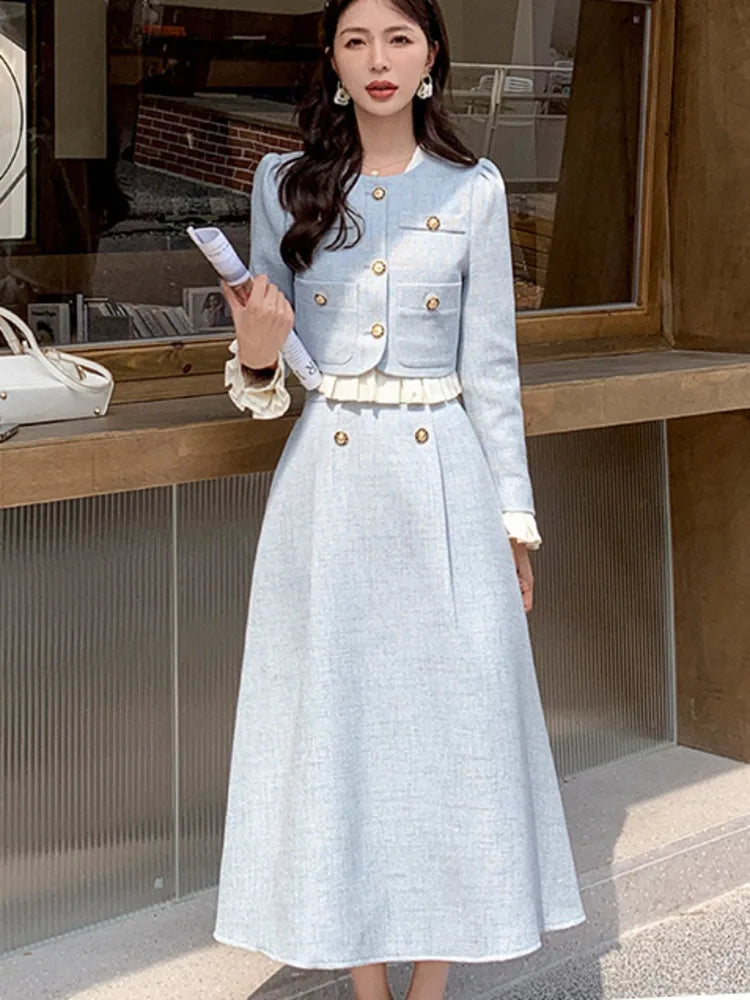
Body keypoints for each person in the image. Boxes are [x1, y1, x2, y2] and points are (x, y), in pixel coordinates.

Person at [214, 1, 586, 998]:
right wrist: (254, 355)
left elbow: (493, 371)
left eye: (399, 39)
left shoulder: (474, 188)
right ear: (333, 63)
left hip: (444, 485)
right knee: (343, 726)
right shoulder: (283, 184)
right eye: (355, 40)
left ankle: (432, 984)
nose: (377, 60)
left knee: (449, 726)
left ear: (430, 59)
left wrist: (515, 525)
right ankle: (363, 981)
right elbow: (267, 378)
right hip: (328, 486)